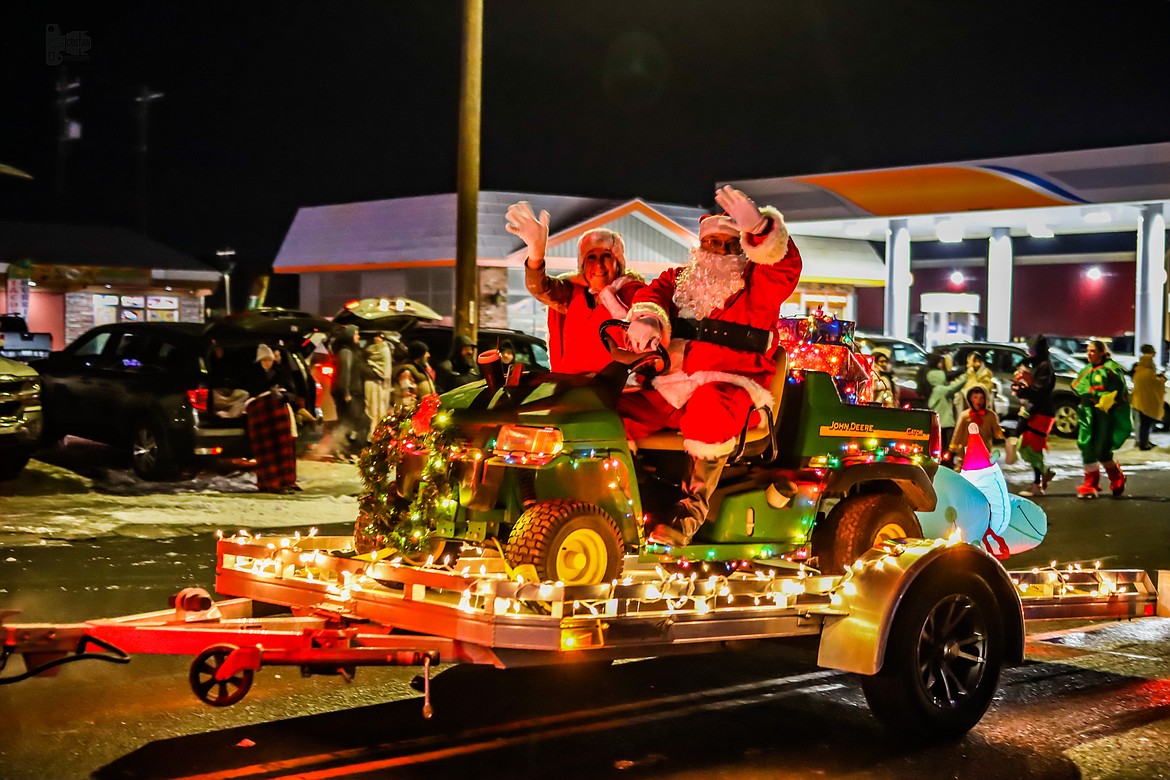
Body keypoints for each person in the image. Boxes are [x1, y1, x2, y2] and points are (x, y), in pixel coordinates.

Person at [621, 186, 802, 547]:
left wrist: (762, 230)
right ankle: (626, 502)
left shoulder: (758, 285)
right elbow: (650, 296)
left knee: (709, 408)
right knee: (610, 412)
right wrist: (648, 318)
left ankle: (690, 511)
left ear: (743, 250)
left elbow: (784, 268)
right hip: (670, 387)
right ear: (700, 247)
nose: (719, 251)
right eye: (712, 243)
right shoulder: (679, 281)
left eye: (729, 244)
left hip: (732, 388)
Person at [506, 201, 646, 374]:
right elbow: (541, 288)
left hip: (615, 394)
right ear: (582, 264)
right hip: (571, 391)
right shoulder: (571, 294)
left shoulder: (636, 295)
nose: (599, 265)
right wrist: (536, 253)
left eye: (607, 256)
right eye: (592, 257)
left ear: (618, 262)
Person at [1072, 339, 1132, 498]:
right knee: (1086, 445)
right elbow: (1077, 387)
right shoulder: (1086, 370)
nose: (1089, 354)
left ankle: (1117, 477)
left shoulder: (1111, 370)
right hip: (1087, 414)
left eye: (1092, 351)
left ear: (1101, 352)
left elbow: (1119, 393)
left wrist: (1103, 398)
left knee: (1102, 449)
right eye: (1088, 351)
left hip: (1105, 415)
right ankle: (1090, 485)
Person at [244, 344, 299, 493]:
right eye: (264, 360)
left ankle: (286, 481)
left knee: (283, 449)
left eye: (269, 360)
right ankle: (270, 482)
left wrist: (283, 396)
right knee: (267, 451)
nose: (267, 363)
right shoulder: (252, 374)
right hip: (263, 415)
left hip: (278, 413)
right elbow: (251, 393)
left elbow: (292, 393)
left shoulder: (281, 372)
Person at [1012, 334, 1058, 496]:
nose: (1029, 352)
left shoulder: (1044, 366)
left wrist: (1022, 391)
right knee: (1030, 446)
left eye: (1032, 349)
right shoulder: (1040, 365)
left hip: (1042, 411)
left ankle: (1040, 480)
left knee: (1029, 445)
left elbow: (1038, 390)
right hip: (1039, 410)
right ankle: (1038, 482)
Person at [331, 324, 371, 460]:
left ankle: (347, 449)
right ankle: (339, 449)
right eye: (356, 334)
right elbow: (345, 372)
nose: (358, 337)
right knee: (347, 423)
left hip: (354, 392)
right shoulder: (346, 352)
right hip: (349, 393)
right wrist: (346, 391)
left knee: (355, 422)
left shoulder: (353, 352)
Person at [949, 385, 1004, 469]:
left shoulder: (990, 416)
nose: (978, 401)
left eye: (981, 398)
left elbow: (997, 432)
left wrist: (1003, 434)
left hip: (983, 452)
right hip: (965, 453)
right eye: (975, 397)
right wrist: (953, 448)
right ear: (970, 399)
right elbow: (958, 433)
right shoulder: (964, 415)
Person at [923, 351, 968, 450]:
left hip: (936, 423)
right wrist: (965, 375)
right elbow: (955, 386)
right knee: (947, 446)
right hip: (946, 424)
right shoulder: (942, 389)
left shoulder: (933, 390)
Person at [1129, 343, 1165, 450]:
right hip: (1146, 402)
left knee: (1144, 423)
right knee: (1145, 423)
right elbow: (1155, 384)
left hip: (1140, 401)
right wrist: (1162, 379)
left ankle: (1144, 441)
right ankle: (1143, 443)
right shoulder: (1147, 372)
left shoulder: (1139, 371)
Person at [363, 333, 394, 436]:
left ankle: (377, 433)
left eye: (379, 337)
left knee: (378, 409)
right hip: (373, 384)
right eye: (375, 337)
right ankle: (373, 433)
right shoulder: (368, 350)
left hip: (379, 384)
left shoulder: (384, 349)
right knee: (373, 410)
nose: (377, 339)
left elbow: (385, 365)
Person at [393, 340, 437, 410]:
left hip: (426, 414)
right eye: (425, 353)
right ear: (419, 356)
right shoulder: (406, 372)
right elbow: (407, 398)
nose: (428, 355)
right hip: (416, 416)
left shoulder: (421, 370)